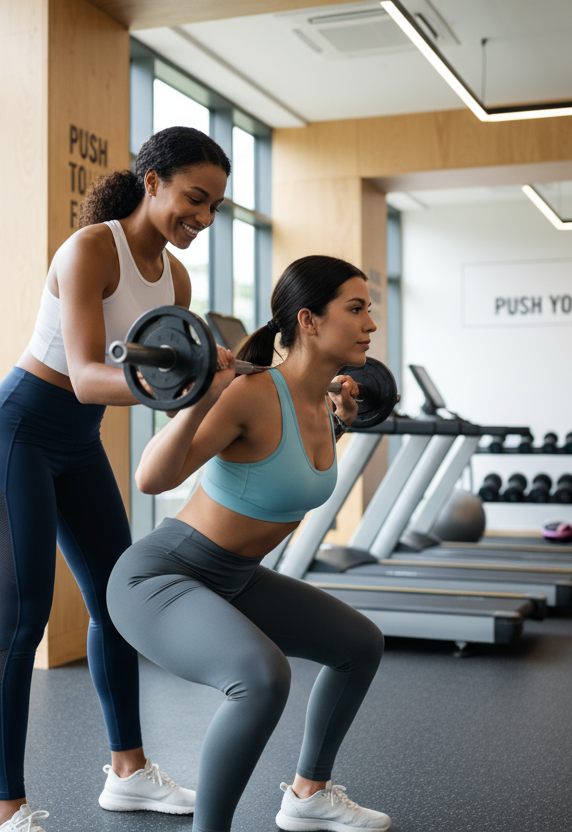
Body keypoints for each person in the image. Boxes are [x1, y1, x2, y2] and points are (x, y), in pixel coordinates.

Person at [0, 126, 231, 832]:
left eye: (214, 208)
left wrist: (214, 375)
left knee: (118, 602)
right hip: (18, 432)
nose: (201, 219)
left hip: (79, 447)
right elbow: (86, 376)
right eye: (193, 200)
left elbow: (167, 373)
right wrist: (184, 383)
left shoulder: (176, 278)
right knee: (20, 622)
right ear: (152, 182)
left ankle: (129, 773)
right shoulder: (90, 249)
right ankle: (7, 809)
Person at [107, 255, 392, 832]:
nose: (370, 324)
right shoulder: (251, 394)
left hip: (234, 578)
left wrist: (341, 424)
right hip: (161, 578)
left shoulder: (324, 403)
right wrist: (198, 397)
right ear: (309, 320)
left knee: (359, 644)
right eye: (356, 309)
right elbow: (151, 479)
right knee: (262, 680)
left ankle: (308, 794)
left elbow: (284, 470)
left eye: (369, 311)